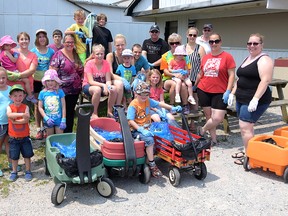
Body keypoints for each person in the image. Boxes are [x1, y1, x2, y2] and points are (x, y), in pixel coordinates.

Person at [227, 33, 274, 165]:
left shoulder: (264, 60)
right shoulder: (248, 58)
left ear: (261, 45)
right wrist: (232, 93)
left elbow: (265, 81)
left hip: (255, 100)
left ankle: (250, 158)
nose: (252, 46)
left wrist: (255, 99)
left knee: (245, 127)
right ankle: (248, 150)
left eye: (255, 43)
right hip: (241, 98)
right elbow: (240, 79)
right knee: (246, 128)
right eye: (249, 43)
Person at [127, 81, 181, 177]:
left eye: (146, 94)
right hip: (136, 130)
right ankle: (152, 164)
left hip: (149, 127)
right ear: (136, 94)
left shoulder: (148, 101)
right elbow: (130, 120)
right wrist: (140, 129)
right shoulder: (133, 105)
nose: (144, 96)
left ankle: (165, 153)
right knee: (149, 140)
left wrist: (172, 108)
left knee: (164, 132)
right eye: (141, 94)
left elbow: (159, 104)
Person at [195, 33, 236, 145]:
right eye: (211, 42)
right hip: (203, 89)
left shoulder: (227, 56)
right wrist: (195, 85)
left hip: (220, 91)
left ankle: (202, 130)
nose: (213, 44)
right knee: (209, 116)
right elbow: (201, 73)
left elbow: (232, 75)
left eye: (216, 41)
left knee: (217, 118)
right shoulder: (206, 57)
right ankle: (213, 140)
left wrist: (229, 91)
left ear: (220, 42)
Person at [50, 33, 84, 133]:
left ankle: (68, 134)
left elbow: (81, 70)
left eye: (72, 42)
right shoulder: (58, 54)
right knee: (61, 113)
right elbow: (52, 72)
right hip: (62, 91)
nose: (70, 44)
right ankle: (59, 135)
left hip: (75, 91)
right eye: (68, 42)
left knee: (70, 113)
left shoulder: (76, 54)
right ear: (64, 43)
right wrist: (55, 86)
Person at [83, 44, 122, 118]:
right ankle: (94, 113)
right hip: (89, 85)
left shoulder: (106, 63)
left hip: (102, 84)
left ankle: (109, 112)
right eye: (97, 54)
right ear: (93, 55)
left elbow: (108, 79)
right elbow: (91, 81)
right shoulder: (89, 64)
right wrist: (103, 86)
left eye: (102, 54)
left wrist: (108, 86)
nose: (100, 56)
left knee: (113, 89)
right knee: (97, 90)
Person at [31, 29, 55, 140]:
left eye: (43, 36)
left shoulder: (51, 52)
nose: (42, 38)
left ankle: (46, 127)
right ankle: (38, 128)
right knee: (37, 106)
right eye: (39, 37)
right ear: (37, 39)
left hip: (47, 82)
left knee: (47, 105)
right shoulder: (33, 51)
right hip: (35, 81)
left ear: (46, 38)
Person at [7, 84, 34, 182]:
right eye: (15, 96)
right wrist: (22, 115)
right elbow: (9, 114)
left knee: (27, 155)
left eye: (20, 95)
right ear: (11, 97)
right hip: (14, 138)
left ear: (24, 96)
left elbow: (26, 120)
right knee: (14, 156)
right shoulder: (9, 107)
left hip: (25, 137)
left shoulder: (26, 107)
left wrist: (15, 121)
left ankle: (28, 171)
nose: (18, 98)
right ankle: (14, 171)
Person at [0, 35, 37, 103]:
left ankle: (29, 95)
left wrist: (17, 75)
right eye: (21, 39)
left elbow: (32, 70)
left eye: (26, 39)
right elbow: (12, 61)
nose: (24, 41)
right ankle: (30, 96)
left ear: (29, 41)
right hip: (11, 88)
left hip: (24, 89)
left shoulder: (33, 55)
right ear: (18, 41)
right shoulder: (12, 51)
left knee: (26, 110)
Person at [160, 33, 190, 114]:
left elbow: (188, 69)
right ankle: (171, 105)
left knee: (183, 85)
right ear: (169, 44)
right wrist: (174, 75)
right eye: (172, 43)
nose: (174, 45)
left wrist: (183, 75)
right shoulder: (165, 56)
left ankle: (185, 105)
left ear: (180, 43)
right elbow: (165, 71)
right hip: (168, 79)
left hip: (181, 78)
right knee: (174, 84)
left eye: (177, 43)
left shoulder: (184, 56)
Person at [185, 27, 206, 131]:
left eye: (194, 35)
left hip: (195, 78)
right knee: (185, 100)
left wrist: (198, 81)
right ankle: (185, 122)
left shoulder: (200, 48)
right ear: (187, 35)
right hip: (184, 78)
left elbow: (203, 65)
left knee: (194, 100)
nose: (192, 37)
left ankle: (193, 123)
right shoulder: (182, 47)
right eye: (190, 35)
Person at [38, 69, 66, 137]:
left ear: (56, 81)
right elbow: (40, 107)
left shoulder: (60, 92)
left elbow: (64, 106)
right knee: (50, 138)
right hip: (48, 120)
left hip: (59, 120)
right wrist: (46, 118)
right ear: (45, 82)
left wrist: (63, 119)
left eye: (52, 80)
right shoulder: (42, 93)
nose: (50, 83)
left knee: (60, 139)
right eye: (48, 80)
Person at [0, 67, 11, 177]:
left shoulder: (10, 89)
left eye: (3, 78)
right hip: (0, 123)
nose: (1, 80)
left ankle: (11, 163)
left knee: (9, 143)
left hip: (10, 122)